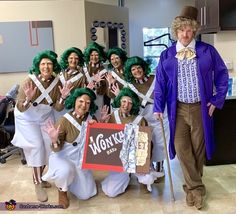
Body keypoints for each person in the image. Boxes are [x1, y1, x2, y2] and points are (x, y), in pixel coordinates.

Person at [153, 6, 228, 210]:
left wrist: (216, 100)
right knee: (181, 148)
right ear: (176, 31)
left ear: (194, 31)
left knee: (197, 149)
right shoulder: (167, 55)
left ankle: (191, 188)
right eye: (181, 30)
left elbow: (222, 76)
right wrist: (158, 107)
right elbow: (159, 83)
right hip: (176, 109)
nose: (185, 34)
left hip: (199, 108)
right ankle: (196, 189)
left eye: (189, 30)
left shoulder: (207, 51)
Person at [11, 50, 73, 202]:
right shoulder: (29, 81)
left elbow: (57, 108)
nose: (46, 66)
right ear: (38, 66)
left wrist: (63, 98)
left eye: (50, 63)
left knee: (49, 147)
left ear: (54, 66)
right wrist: (28, 99)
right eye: (43, 64)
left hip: (44, 116)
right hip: (27, 118)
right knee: (37, 147)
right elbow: (20, 107)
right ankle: (37, 183)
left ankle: (40, 176)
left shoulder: (57, 82)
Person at [42, 88, 98, 208]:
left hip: (79, 159)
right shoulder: (64, 121)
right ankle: (62, 190)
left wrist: (99, 127)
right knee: (65, 171)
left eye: (88, 103)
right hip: (62, 157)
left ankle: (71, 180)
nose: (84, 105)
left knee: (86, 195)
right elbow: (56, 149)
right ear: (74, 102)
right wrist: (54, 140)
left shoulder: (91, 119)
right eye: (81, 101)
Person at [101, 87, 159, 195]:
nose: (126, 105)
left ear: (133, 105)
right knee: (111, 192)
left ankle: (138, 176)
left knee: (148, 178)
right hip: (118, 160)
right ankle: (125, 177)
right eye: (123, 101)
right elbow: (104, 140)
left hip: (135, 160)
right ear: (119, 101)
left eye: (130, 103)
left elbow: (148, 145)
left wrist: (146, 164)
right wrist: (102, 122)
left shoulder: (140, 120)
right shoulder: (113, 116)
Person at [123, 56, 169, 180]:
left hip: (159, 116)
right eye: (133, 69)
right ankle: (148, 167)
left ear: (144, 68)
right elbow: (127, 101)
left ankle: (160, 167)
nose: (137, 71)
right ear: (130, 72)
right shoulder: (130, 86)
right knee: (146, 142)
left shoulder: (156, 79)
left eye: (139, 67)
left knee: (160, 143)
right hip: (143, 117)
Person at [54, 47, 87, 119]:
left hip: (71, 108)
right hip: (57, 106)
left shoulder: (81, 77)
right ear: (67, 59)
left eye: (76, 58)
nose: (73, 60)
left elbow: (80, 95)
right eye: (71, 58)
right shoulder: (59, 73)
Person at [83, 42, 108, 119]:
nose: (94, 57)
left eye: (96, 55)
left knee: (97, 118)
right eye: (91, 55)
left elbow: (104, 90)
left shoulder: (104, 71)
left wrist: (98, 85)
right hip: (84, 98)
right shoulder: (83, 69)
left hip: (98, 99)